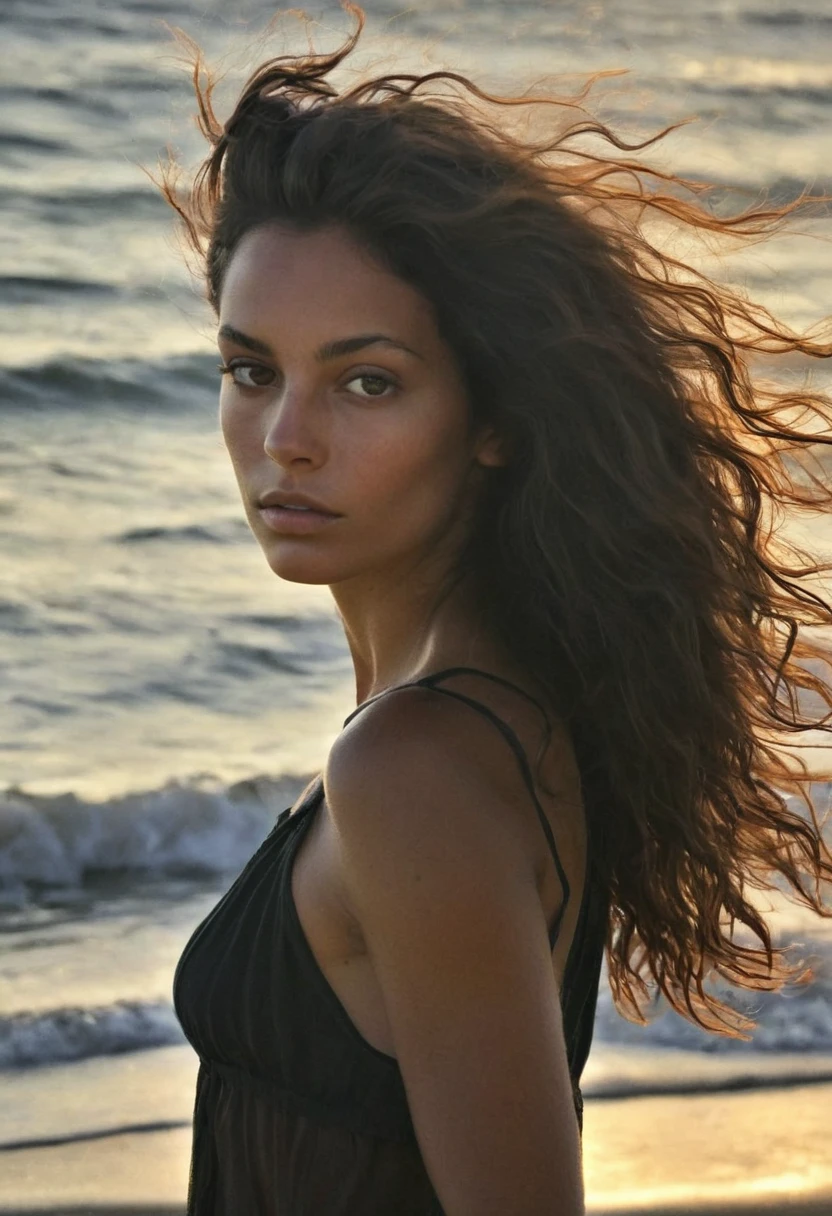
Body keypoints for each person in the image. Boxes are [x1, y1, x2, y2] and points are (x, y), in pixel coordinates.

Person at [166, 5, 832, 1213]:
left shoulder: (416, 762)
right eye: (251, 369)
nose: (283, 440)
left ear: (490, 423)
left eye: (366, 381)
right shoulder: (476, 709)